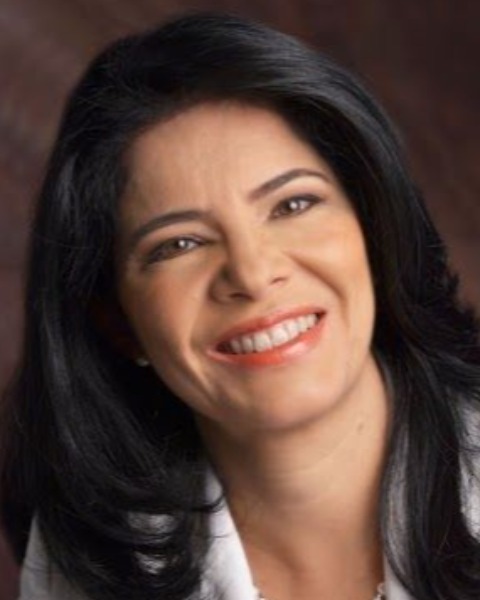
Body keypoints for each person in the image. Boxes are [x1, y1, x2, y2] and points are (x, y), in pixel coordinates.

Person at [1, 11, 480, 600]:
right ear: (118, 320)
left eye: (293, 205)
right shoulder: (90, 564)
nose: (251, 275)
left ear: (375, 229)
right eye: (180, 244)